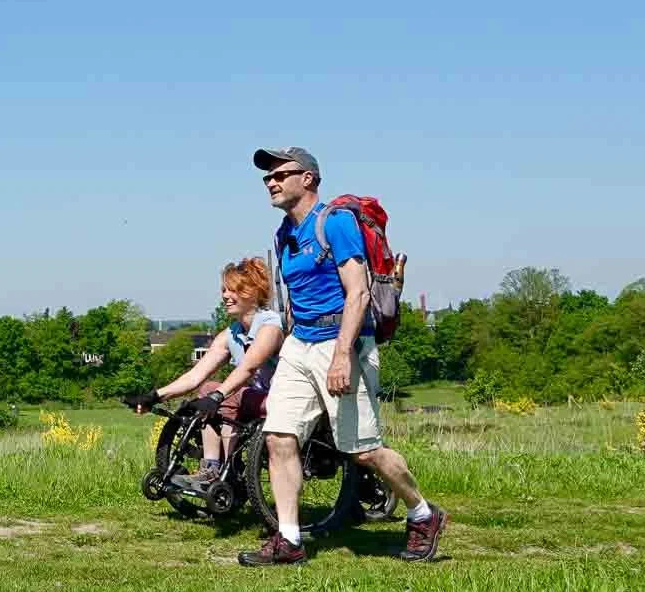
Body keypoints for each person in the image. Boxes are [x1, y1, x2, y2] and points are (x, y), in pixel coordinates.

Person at [239, 147, 447, 566]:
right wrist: (288, 352)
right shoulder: (284, 235)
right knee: (280, 437)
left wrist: (341, 355)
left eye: (280, 174)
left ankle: (423, 513)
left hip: (343, 342)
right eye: (267, 178)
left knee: (363, 450)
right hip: (302, 343)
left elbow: (358, 292)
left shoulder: (336, 222)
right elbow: (295, 301)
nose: (271, 183)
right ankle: (290, 538)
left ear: (309, 179)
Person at [129, 259, 284, 489]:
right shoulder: (232, 333)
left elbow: (248, 368)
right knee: (207, 388)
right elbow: (195, 376)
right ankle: (212, 467)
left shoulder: (270, 326)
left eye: (234, 290)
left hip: (280, 399)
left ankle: (226, 470)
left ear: (253, 292)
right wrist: (155, 395)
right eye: (224, 289)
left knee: (222, 394)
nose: (225, 295)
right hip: (254, 399)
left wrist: (218, 397)